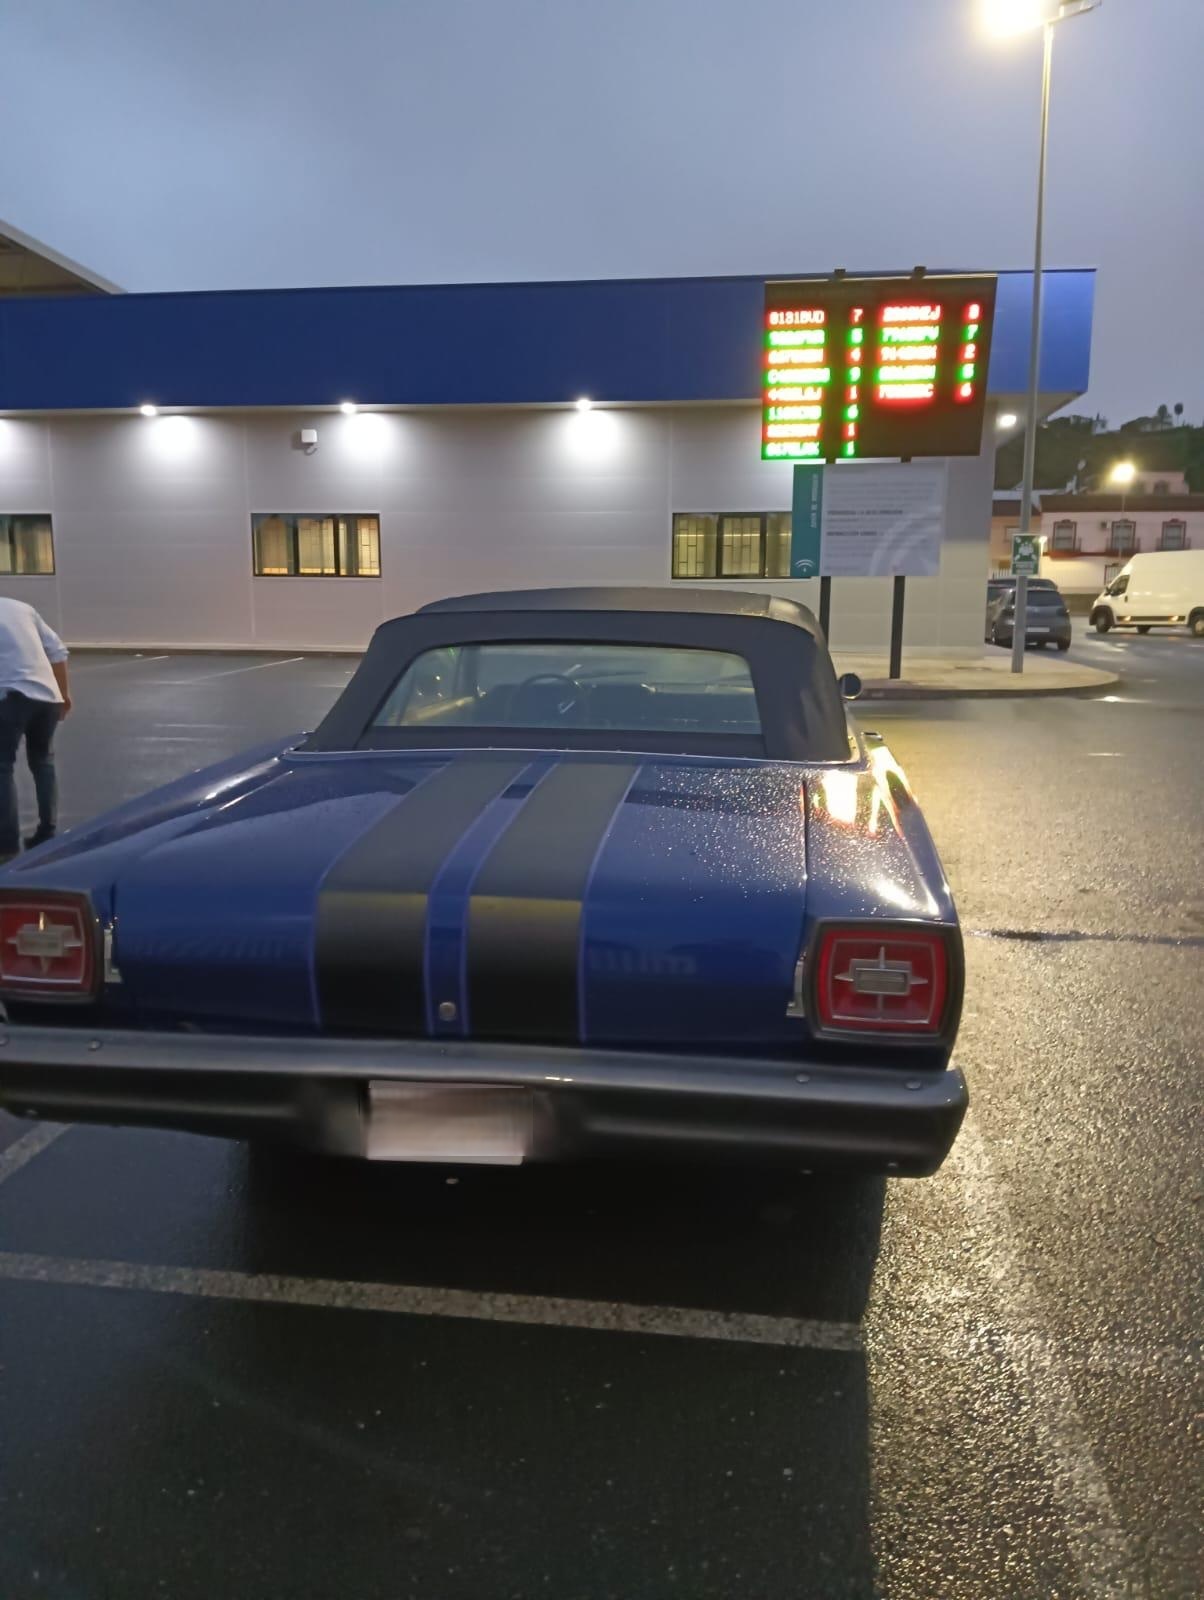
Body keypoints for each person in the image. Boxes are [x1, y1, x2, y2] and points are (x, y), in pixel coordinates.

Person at [0, 597, 71, 862]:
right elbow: (58, 651)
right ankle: (47, 832)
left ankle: (5, 846)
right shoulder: (23, 608)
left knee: (2, 766)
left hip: (12, 697)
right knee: (43, 762)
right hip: (47, 697)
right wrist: (64, 695)